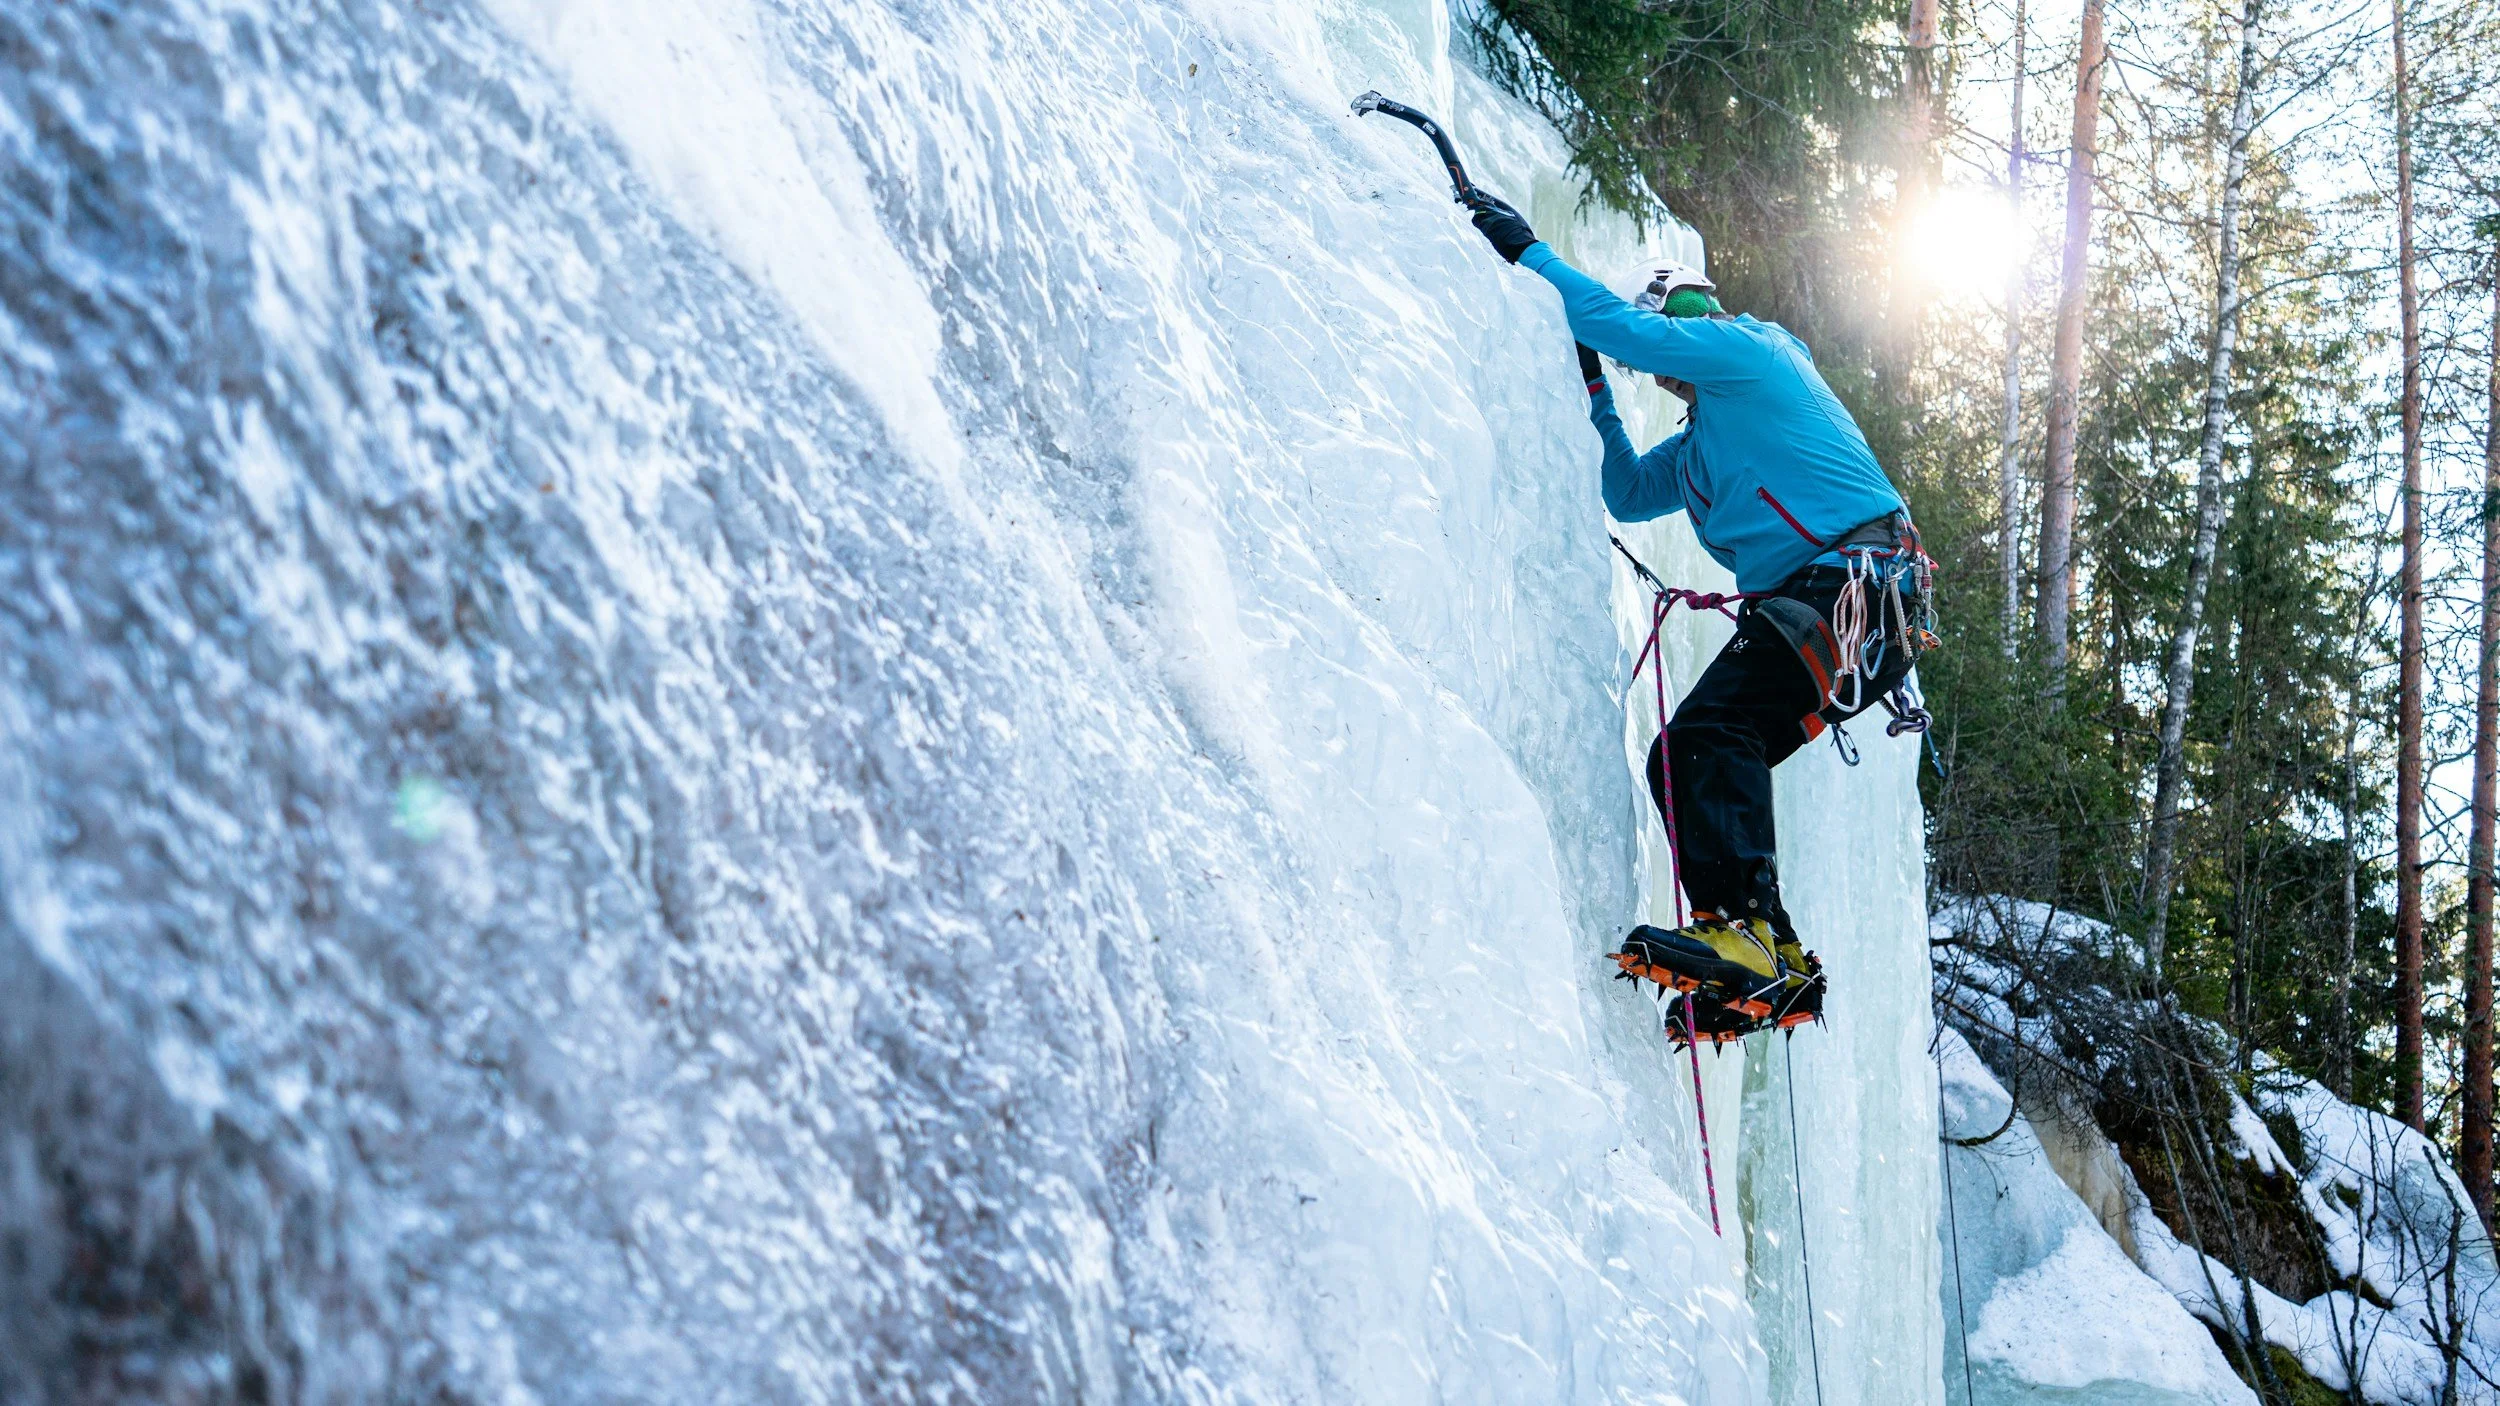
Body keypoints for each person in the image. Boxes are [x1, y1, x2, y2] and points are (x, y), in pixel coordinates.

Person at [1465, 191, 1934, 1036]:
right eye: (1661, 359)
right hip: (1838, 610)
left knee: (1708, 739)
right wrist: (1594, 383)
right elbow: (1627, 487)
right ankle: (1771, 962)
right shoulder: (1696, 451)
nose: (1668, 360)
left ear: (1696, 310)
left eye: (1675, 328)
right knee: (1683, 762)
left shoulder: (1755, 351)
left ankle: (1749, 935)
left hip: (1850, 587)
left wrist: (1531, 254)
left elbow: (1634, 328)